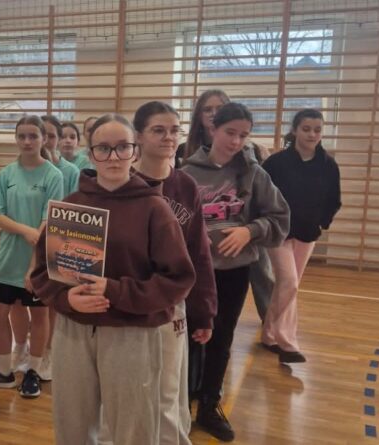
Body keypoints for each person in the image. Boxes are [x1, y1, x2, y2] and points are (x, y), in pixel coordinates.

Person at [31, 112, 196, 444]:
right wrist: (65, 298)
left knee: (132, 429)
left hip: (131, 331)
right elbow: (42, 274)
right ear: (91, 154)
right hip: (74, 331)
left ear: (135, 151)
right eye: (103, 148)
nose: (113, 157)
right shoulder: (71, 206)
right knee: (72, 426)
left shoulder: (155, 209)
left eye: (123, 147)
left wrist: (116, 291)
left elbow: (178, 279)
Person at [181, 102, 290, 442]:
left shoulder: (253, 173)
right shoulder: (186, 172)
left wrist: (249, 231)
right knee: (186, 340)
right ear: (213, 129)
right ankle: (181, 405)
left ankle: (209, 406)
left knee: (221, 339)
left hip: (233, 272)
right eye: (230, 132)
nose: (236, 141)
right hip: (192, 275)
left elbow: (280, 218)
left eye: (243, 135)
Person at [133, 101, 217, 444]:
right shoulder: (123, 184)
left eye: (173, 130)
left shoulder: (186, 185)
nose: (168, 137)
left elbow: (199, 252)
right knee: (131, 391)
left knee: (168, 390)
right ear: (139, 136)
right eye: (158, 130)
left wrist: (204, 311)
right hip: (130, 304)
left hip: (172, 304)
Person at [0, 115, 63, 398]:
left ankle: (33, 371)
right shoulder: (7, 173)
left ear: (43, 139)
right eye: (21, 136)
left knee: (39, 314)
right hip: (9, 255)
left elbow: (49, 221)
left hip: (38, 258)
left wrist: (34, 267)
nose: (27, 141)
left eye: (33, 136)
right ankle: (3, 371)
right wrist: (25, 230)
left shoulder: (53, 175)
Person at [261, 108, 341, 363]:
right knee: (289, 283)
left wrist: (323, 222)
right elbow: (259, 192)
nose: (312, 134)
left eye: (317, 130)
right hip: (278, 232)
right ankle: (288, 343)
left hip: (307, 233)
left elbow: (334, 199)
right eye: (306, 129)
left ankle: (269, 335)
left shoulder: (328, 165)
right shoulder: (276, 163)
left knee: (286, 286)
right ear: (295, 130)